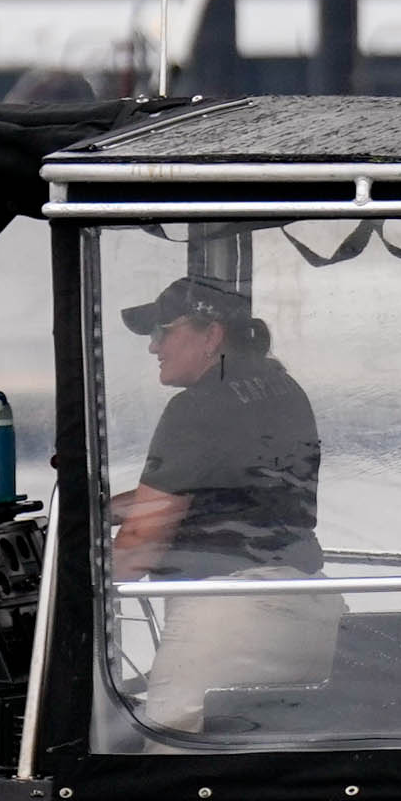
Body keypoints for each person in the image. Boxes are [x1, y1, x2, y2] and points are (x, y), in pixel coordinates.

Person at [108, 268, 335, 734]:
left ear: (211, 334)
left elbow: (140, 546)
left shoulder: (196, 407)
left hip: (228, 618)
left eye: (162, 332)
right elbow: (213, 493)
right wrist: (100, 510)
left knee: (169, 763)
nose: (154, 347)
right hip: (305, 609)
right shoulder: (278, 387)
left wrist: (65, 585)